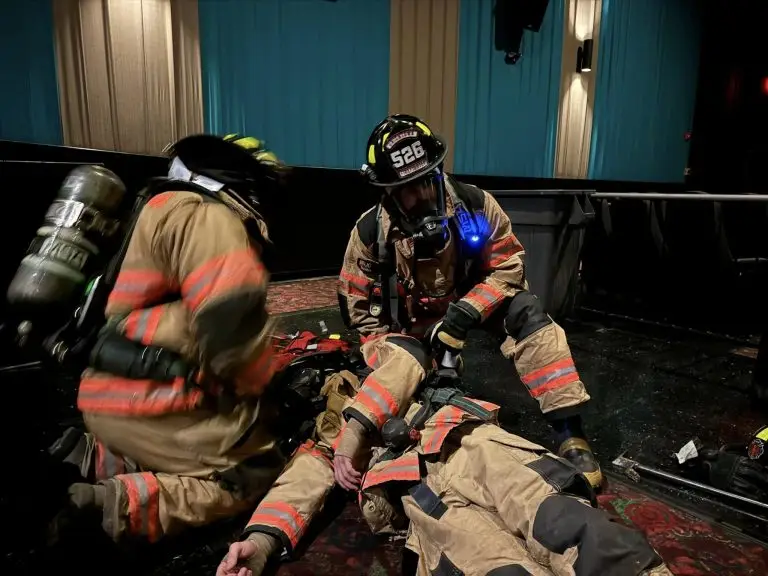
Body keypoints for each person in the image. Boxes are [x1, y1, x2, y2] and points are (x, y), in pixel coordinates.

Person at [216, 336, 672, 576]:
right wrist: (259, 546)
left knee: (572, 527)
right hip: (415, 489)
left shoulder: (365, 355)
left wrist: (357, 429)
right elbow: (299, 488)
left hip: (459, 437)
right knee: (492, 566)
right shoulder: (318, 437)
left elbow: (409, 358)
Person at [48, 133, 293, 544]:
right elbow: (230, 320)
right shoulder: (207, 216)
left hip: (108, 395)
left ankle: (93, 456)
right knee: (255, 472)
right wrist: (259, 391)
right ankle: (105, 509)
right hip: (154, 400)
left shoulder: (152, 209)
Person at [336, 114, 601, 488]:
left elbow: (509, 266)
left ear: (437, 170)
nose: (420, 197)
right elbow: (358, 307)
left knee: (529, 313)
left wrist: (465, 312)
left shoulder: (475, 205)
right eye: (406, 190)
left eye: (425, 182)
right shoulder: (369, 233)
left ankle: (570, 432)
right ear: (387, 191)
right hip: (409, 323)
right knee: (415, 384)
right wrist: (390, 357)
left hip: (471, 302)